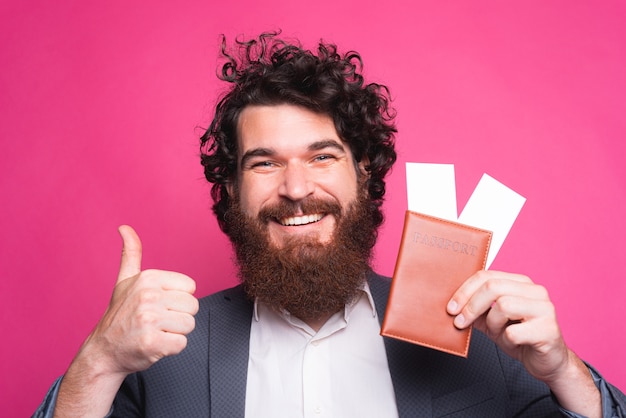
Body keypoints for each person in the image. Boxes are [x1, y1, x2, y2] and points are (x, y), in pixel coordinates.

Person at [36, 31, 625, 418]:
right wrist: (101, 361)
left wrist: (562, 370)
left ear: (364, 177)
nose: (295, 189)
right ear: (233, 192)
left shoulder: (477, 335)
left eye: (322, 156)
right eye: (264, 163)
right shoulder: (162, 356)